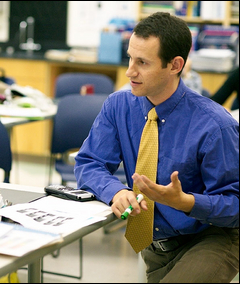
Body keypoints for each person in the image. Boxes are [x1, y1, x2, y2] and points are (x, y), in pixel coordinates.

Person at [74, 12, 239, 283]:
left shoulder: (215, 125)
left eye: (142, 62)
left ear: (175, 65)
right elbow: (90, 162)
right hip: (156, 247)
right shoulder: (118, 106)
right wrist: (115, 191)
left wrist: (185, 201)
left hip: (211, 239)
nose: (130, 71)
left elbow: (235, 205)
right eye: (130, 58)